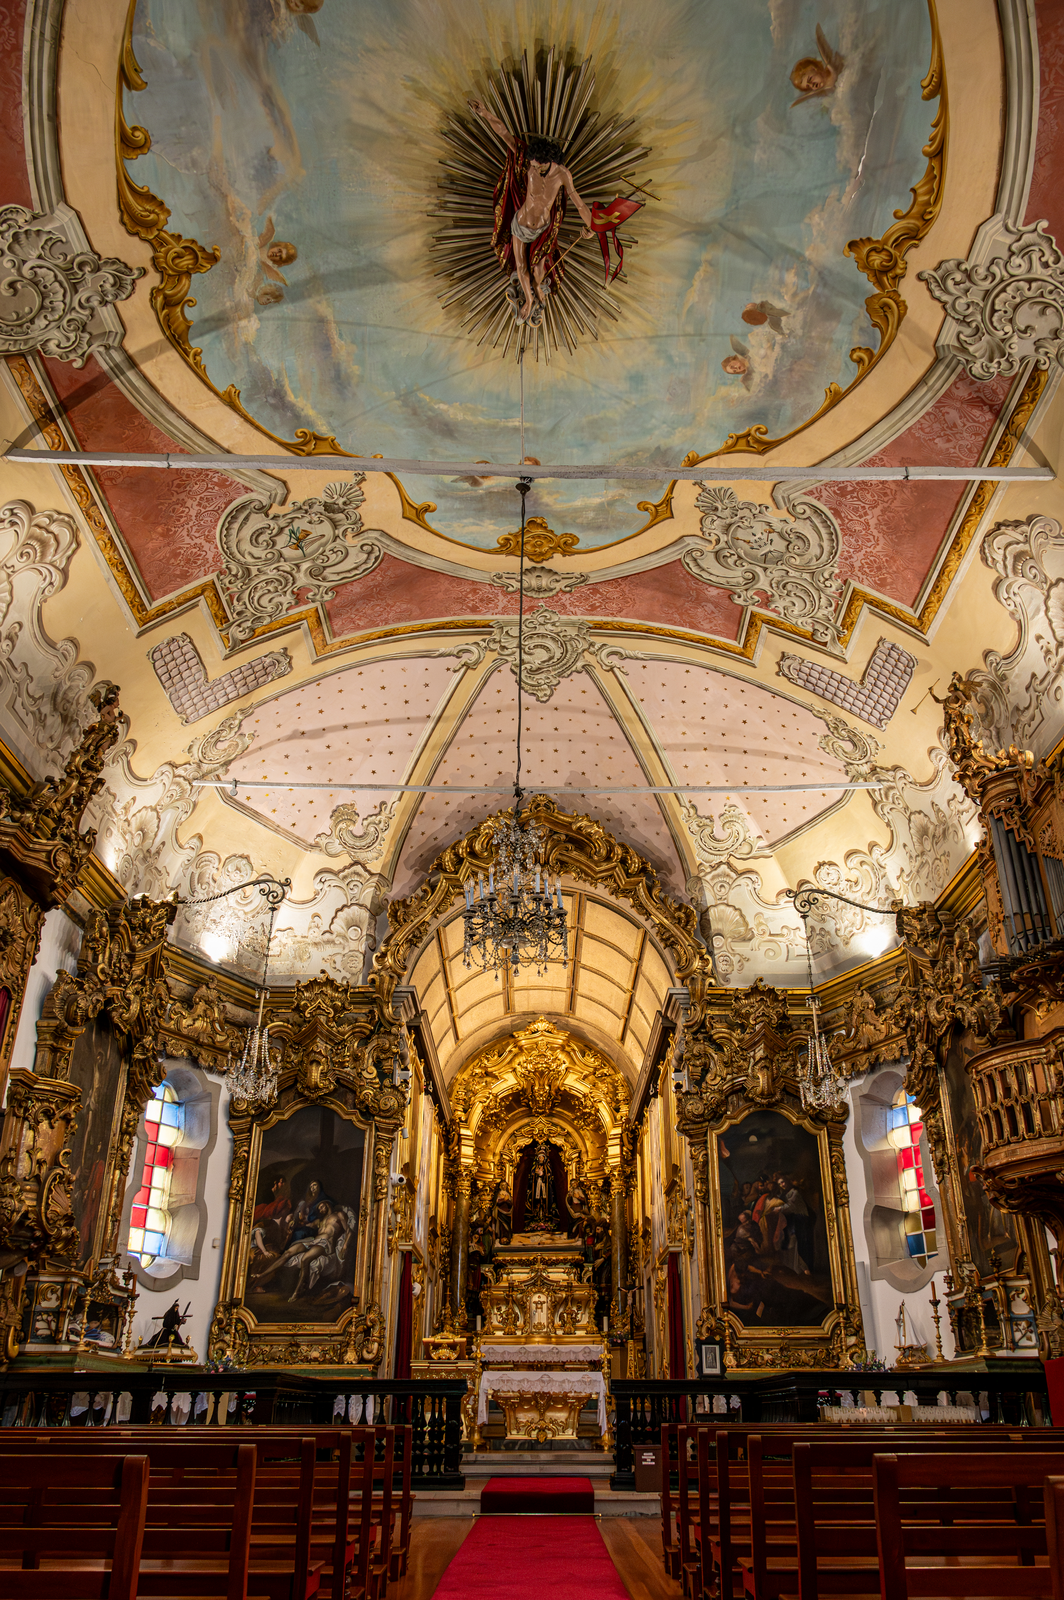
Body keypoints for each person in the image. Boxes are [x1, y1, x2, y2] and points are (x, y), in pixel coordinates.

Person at [468, 99, 594, 322]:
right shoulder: (528, 162)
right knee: (521, 265)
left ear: (549, 161)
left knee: (538, 272)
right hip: (521, 225)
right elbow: (504, 133)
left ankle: (537, 296)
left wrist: (592, 226)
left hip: (544, 229)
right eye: (532, 165)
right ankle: (528, 299)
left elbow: (580, 204)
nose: (533, 168)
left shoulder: (563, 175)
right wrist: (485, 113)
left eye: (538, 166)